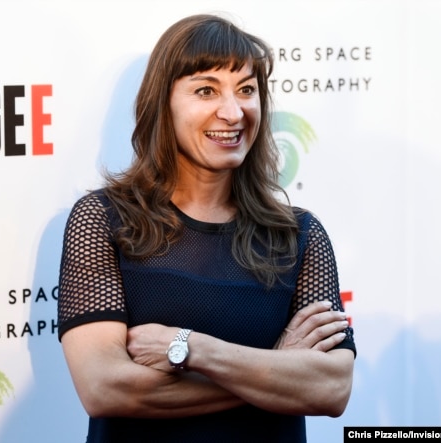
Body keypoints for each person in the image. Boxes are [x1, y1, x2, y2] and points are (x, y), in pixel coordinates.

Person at [57, 13, 356, 443]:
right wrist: (273, 367)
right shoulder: (103, 219)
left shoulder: (299, 236)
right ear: (164, 103)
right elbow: (106, 387)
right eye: (206, 90)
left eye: (247, 90)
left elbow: (331, 388)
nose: (233, 112)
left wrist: (192, 349)